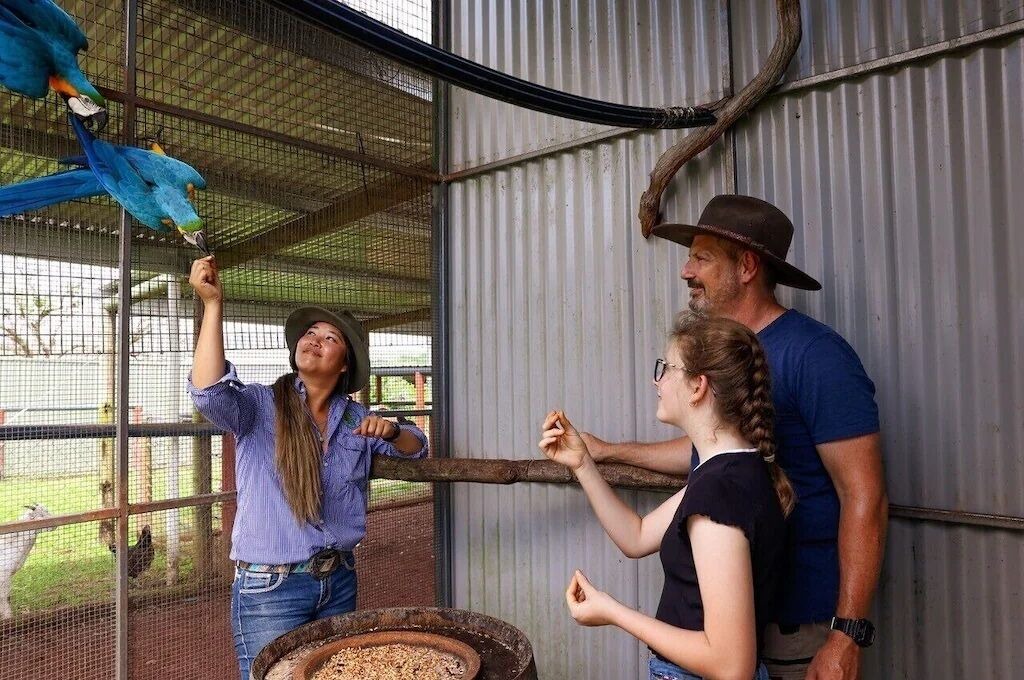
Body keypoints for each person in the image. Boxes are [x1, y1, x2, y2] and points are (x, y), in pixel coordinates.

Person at [583, 195, 887, 679]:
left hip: (796, 623)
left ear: (746, 266)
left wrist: (847, 633)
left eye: (702, 257)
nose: (686, 270)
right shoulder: (725, 359)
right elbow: (710, 448)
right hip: (732, 618)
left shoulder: (817, 356)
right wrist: (603, 452)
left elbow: (865, 495)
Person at [186, 256, 428, 680]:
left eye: (330, 337)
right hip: (269, 590)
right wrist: (212, 306)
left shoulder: (357, 420)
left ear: (345, 364)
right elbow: (208, 392)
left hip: (339, 581)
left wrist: (391, 431)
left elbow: (416, 449)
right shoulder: (262, 406)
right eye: (310, 333)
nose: (314, 339)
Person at [540, 313, 793, 680]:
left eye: (666, 368)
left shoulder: (717, 494)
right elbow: (637, 535)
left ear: (697, 387)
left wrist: (613, 612)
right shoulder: (730, 473)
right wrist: (582, 464)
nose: (656, 380)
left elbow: (731, 666)